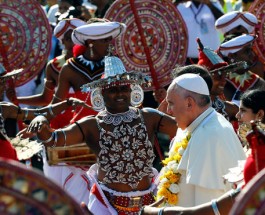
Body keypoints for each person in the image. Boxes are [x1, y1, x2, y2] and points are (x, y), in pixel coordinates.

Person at [21, 56, 177, 214]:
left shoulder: (149, 117)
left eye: (123, 88)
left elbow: (184, 129)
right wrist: (41, 119)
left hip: (149, 204)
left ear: (131, 90)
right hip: (105, 206)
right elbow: (53, 141)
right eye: (112, 90)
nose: (119, 94)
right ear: (102, 93)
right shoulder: (91, 125)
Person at [156, 70, 246, 207]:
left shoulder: (212, 135)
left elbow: (211, 206)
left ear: (189, 103)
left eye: (171, 103)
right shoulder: (191, 126)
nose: (168, 110)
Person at [7, 18, 87, 129]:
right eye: (69, 39)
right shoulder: (53, 66)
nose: (73, 43)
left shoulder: (93, 64)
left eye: (76, 38)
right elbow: (46, 99)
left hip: (86, 124)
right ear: (62, 41)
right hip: (59, 125)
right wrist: (17, 100)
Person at [218, 34, 265, 103]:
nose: (252, 55)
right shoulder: (218, 81)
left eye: (251, 50)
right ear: (231, 56)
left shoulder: (257, 81)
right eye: (247, 51)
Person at [174, 0, 224, 64]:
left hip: (212, 56)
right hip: (188, 58)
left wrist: (209, 4)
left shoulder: (214, 4)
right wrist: (177, 2)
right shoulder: (180, 6)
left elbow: (223, 22)